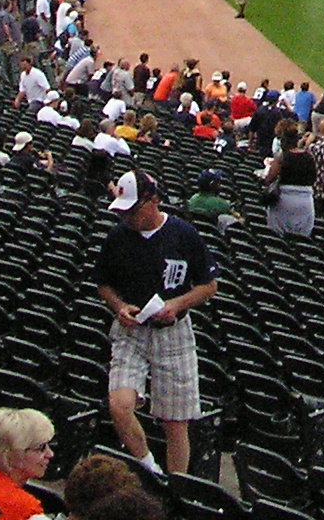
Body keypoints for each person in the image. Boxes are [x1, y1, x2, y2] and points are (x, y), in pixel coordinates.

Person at [93, 171, 217, 476]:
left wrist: (176, 304)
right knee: (119, 405)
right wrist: (120, 306)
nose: (128, 217)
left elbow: (208, 285)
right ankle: (150, 468)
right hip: (131, 330)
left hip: (173, 332)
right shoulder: (117, 237)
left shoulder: (183, 234)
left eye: (133, 210)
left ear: (153, 201)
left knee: (175, 421)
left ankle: (175, 487)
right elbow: (103, 284)